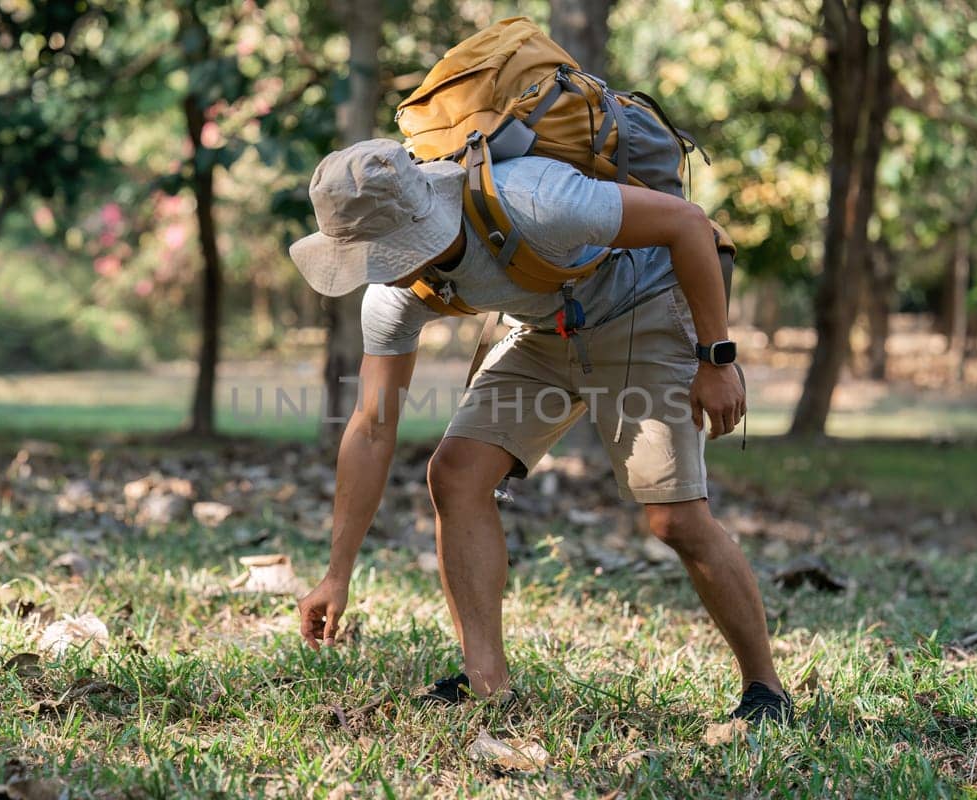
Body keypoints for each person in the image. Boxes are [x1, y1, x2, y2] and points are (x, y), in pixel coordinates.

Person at [289, 138, 793, 723]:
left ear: (419, 227)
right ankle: (487, 682)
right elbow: (372, 424)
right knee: (456, 475)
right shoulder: (395, 295)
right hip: (548, 330)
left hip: (643, 306)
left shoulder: (534, 198)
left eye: (380, 254)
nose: (374, 273)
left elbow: (689, 224)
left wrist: (716, 357)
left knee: (674, 517)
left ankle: (766, 691)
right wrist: (337, 573)